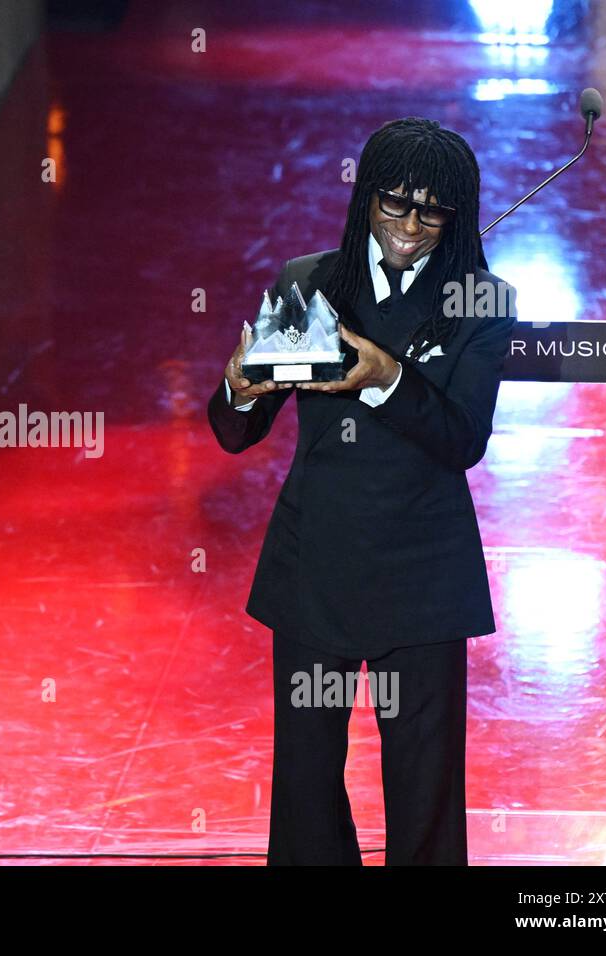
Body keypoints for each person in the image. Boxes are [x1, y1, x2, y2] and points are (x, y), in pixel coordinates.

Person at [209, 117, 517, 865]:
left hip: (423, 577)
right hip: (316, 565)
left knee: (425, 784)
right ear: (365, 200)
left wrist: (384, 376)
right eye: (394, 204)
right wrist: (240, 386)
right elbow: (235, 432)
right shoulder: (308, 283)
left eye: (433, 211)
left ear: (458, 213)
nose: (411, 227)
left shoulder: (481, 301)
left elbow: (461, 439)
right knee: (307, 783)